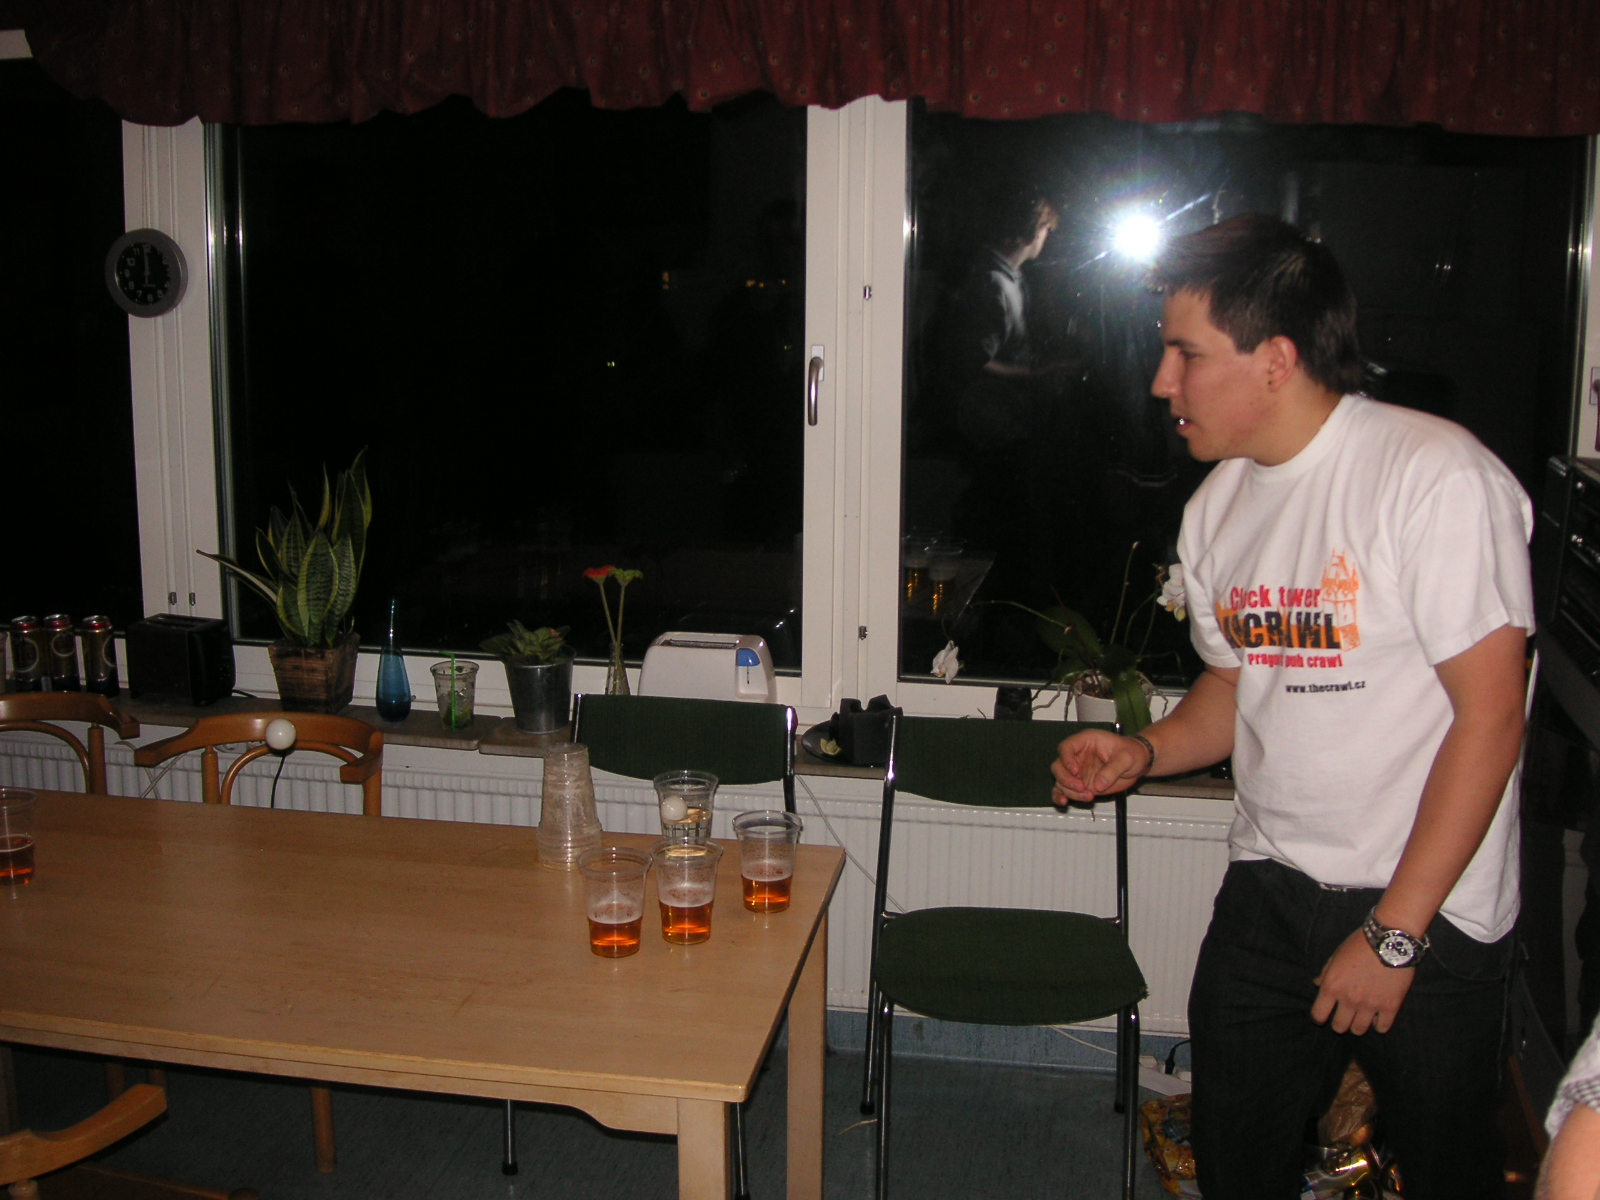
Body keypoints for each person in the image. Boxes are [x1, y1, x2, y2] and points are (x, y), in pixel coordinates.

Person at [1052, 214, 1534, 1198]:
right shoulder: (1217, 507)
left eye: (1186, 354)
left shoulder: (1434, 476)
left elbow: (1491, 718)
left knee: (1447, 1177)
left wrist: (1393, 934)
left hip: (1429, 910)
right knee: (1237, 1164)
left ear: (1275, 359)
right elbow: (1239, 685)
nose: (1161, 384)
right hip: (1270, 890)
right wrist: (1147, 750)